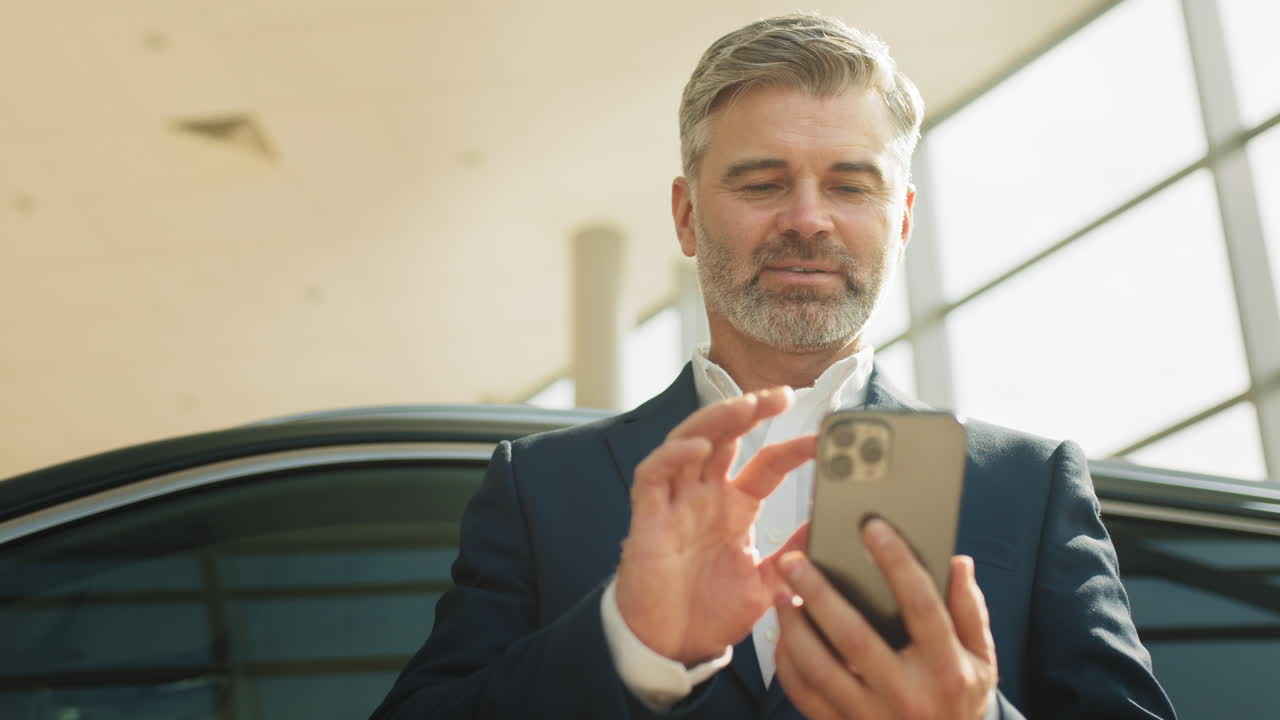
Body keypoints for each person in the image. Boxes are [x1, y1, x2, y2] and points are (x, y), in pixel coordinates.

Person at [370, 13, 1176, 720]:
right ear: (686, 216)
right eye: (762, 182)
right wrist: (633, 644)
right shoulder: (538, 487)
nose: (807, 220)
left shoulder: (1029, 486)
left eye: (850, 186)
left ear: (900, 222)